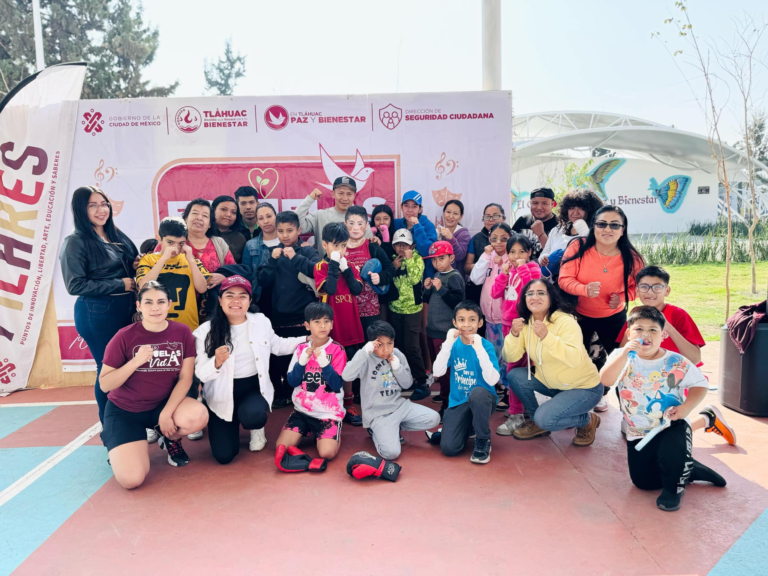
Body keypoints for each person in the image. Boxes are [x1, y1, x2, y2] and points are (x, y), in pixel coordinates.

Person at [600, 306, 726, 512]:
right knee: (643, 482)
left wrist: (685, 409)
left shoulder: (674, 361)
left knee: (671, 453)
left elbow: (700, 384)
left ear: (663, 334)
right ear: (628, 333)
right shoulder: (622, 356)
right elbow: (605, 379)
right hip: (638, 430)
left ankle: (674, 488)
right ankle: (690, 470)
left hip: (670, 423)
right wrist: (624, 354)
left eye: (653, 330)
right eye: (639, 329)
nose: (645, 335)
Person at [99, 281, 209, 489]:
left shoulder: (182, 332)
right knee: (131, 480)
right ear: (139, 306)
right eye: (148, 302)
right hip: (125, 411)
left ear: (169, 304)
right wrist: (136, 361)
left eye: (160, 302)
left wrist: (166, 414)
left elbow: (186, 378)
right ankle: (118, 440)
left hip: (162, 405)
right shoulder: (124, 336)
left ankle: (170, 439)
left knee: (198, 415)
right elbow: (105, 384)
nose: (155, 308)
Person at [616, 265, 736, 445]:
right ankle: (704, 419)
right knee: (636, 429)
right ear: (636, 290)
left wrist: (668, 327)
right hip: (644, 381)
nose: (650, 292)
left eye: (657, 287)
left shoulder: (678, 315)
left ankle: (706, 418)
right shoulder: (635, 316)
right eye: (644, 287)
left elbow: (695, 358)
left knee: (659, 433)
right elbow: (621, 354)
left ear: (667, 290)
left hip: (674, 380)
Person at [193, 276, 306, 464]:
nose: (236, 301)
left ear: (250, 301)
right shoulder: (204, 332)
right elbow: (200, 374)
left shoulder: (260, 321)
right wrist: (216, 363)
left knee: (253, 416)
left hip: (253, 389)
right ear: (220, 300)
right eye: (230, 296)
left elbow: (277, 346)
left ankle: (255, 427)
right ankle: (231, 421)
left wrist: (307, 340)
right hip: (221, 396)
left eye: (242, 296)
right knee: (224, 456)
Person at [60, 186, 139, 424]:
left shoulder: (115, 234)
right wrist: (120, 284)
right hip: (97, 315)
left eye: (104, 204)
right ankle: (111, 429)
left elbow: (126, 267)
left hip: (125, 310)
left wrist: (135, 265)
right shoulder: (76, 242)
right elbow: (75, 285)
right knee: (107, 370)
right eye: (93, 205)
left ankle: (131, 421)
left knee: (130, 368)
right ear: (81, 210)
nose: (101, 210)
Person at [504, 279, 603, 445]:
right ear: (524, 299)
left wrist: (547, 337)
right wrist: (513, 335)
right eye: (530, 293)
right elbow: (511, 357)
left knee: (546, 419)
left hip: (584, 388)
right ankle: (538, 423)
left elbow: (574, 359)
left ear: (551, 298)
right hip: (553, 384)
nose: (535, 297)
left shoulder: (566, 322)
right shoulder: (526, 323)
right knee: (515, 375)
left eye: (541, 293)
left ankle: (586, 420)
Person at [558, 204, 645, 389]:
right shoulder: (578, 246)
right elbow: (564, 279)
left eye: (614, 225)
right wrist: (584, 289)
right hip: (579, 316)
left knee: (624, 364)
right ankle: (580, 399)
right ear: (593, 226)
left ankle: (623, 404)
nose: (607, 229)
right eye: (602, 224)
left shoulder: (632, 258)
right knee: (575, 362)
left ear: (623, 230)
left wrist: (623, 297)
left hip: (614, 318)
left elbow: (639, 287)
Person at [342, 321, 440, 460]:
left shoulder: (397, 354)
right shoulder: (365, 357)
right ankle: (376, 430)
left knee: (434, 418)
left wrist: (397, 368)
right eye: (380, 344)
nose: (386, 349)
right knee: (391, 453)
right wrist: (364, 352)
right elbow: (346, 375)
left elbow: (407, 384)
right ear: (372, 343)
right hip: (378, 413)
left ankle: (392, 428)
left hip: (399, 406)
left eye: (390, 343)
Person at [258, 211, 321, 408]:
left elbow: (317, 271)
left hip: (304, 316)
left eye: (290, 230)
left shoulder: (307, 251)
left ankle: (308, 395)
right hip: (280, 316)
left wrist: (295, 258)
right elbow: (262, 281)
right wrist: (271, 260)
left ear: (299, 230)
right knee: (281, 360)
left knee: (306, 358)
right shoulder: (273, 253)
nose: (285, 235)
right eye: (281, 231)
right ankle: (283, 394)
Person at [429, 301, 500, 464]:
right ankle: (467, 427)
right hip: (459, 401)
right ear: (454, 322)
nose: (466, 324)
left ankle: (483, 439)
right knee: (449, 448)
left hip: (483, 400)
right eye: (461, 320)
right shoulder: (452, 344)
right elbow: (437, 372)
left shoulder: (486, 346)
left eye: (472, 320)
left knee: (477, 392)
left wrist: (479, 349)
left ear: (480, 323)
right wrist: (447, 344)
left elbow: (492, 379)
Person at [277, 302, 347, 462]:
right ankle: (307, 430)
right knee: (282, 448)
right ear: (307, 326)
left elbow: (336, 385)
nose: (322, 325)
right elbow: (292, 381)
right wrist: (301, 363)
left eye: (327, 321)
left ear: (332, 325)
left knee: (326, 454)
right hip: (303, 410)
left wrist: (324, 363)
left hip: (328, 413)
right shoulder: (301, 349)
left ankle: (333, 433)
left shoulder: (338, 350)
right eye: (317, 322)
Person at [489, 234, 542, 433]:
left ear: (529, 253)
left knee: (517, 369)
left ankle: (516, 414)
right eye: (512, 252)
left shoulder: (533, 268)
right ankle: (521, 409)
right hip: (507, 324)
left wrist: (520, 268)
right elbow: (495, 293)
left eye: (521, 251)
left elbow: (532, 290)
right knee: (513, 366)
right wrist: (503, 274)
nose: (516, 256)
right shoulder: (507, 270)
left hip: (525, 325)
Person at [136, 217, 210, 332]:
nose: (175, 248)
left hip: (188, 326)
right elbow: (144, 286)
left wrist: (190, 259)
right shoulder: (148, 259)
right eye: (170, 242)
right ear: (159, 239)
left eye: (181, 243)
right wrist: (164, 257)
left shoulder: (189, 259)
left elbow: (202, 288)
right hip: (157, 327)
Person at [394, 190, 438, 374]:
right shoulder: (397, 224)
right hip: (398, 290)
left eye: (414, 206)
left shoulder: (426, 224)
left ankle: (426, 371)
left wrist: (418, 225)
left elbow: (429, 249)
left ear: (420, 209)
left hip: (422, 284)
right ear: (402, 207)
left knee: (422, 330)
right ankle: (404, 373)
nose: (410, 210)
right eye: (407, 205)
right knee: (401, 336)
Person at [468, 223, 512, 406]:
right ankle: (499, 386)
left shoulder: (513, 259)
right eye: (494, 238)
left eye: (504, 239)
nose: (498, 242)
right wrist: (486, 256)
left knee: (509, 355)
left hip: (507, 318)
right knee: (493, 354)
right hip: (489, 317)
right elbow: (475, 278)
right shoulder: (488, 256)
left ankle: (511, 392)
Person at [423, 241, 465, 410]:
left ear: (452, 258)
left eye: (441, 258)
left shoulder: (454, 277)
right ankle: (444, 395)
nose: (437, 263)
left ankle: (448, 405)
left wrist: (441, 289)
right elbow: (427, 300)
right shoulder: (437, 275)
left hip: (445, 332)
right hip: (433, 329)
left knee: (447, 370)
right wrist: (426, 289)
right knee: (439, 367)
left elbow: (458, 302)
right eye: (434, 260)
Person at [389, 229, 430, 401]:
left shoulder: (417, 259)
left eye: (405, 244)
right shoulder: (391, 260)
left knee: (412, 347)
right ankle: (406, 379)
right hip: (395, 309)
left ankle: (422, 382)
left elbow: (415, 279)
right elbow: (386, 279)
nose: (401, 247)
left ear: (411, 246)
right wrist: (393, 268)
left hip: (413, 310)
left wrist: (409, 259)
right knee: (399, 346)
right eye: (398, 244)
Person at [344, 206, 396, 331]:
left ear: (367, 225)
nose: (355, 227)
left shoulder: (372, 246)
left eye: (360, 223)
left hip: (370, 311)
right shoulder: (337, 247)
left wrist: (380, 277)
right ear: (344, 224)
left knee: (371, 346)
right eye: (351, 223)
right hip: (346, 310)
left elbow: (390, 269)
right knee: (350, 349)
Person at [295, 176, 372, 258]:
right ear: (333, 194)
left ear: (354, 195)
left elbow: (370, 248)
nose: (345, 198)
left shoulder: (361, 219)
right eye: (340, 193)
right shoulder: (320, 215)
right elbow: (296, 225)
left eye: (349, 194)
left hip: (354, 269)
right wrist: (310, 199)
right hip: (325, 268)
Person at [539, 189, 603, 278]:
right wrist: (544, 259)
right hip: (555, 286)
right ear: (566, 210)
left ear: (590, 210)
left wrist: (584, 231)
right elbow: (546, 251)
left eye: (581, 208)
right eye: (572, 208)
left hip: (582, 286)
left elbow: (597, 258)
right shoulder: (557, 230)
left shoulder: (598, 231)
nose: (575, 212)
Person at [464, 203, 506, 332]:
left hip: (506, 308)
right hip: (482, 295)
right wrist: (486, 263)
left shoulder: (514, 241)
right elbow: (468, 268)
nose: (491, 220)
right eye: (487, 217)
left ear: (503, 218)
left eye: (495, 216)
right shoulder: (477, 239)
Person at [179, 198, 235, 291]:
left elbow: (233, 271)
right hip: (183, 302)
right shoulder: (173, 242)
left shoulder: (219, 243)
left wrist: (224, 277)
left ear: (209, 224)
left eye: (205, 215)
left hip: (214, 302)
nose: (199, 218)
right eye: (195, 213)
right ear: (185, 218)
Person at [241, 203, 279, 314]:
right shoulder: (250, 245)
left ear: (276, 217)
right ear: (257, 222)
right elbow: (246, 274)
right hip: (259, 297)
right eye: (261, 218)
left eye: (269, 216)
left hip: (285, 297)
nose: (266, 221)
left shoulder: (287, 242)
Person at [511, 187, 559, 258]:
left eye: (544, 203)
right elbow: (510, 246)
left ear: (553, 204)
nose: (539, 207)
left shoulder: (560, 225)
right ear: (530, 203)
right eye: (535, 203)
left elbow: (557, 255)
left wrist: (541, 234)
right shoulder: (522, 221)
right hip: (522, 267)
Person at [436, 199, 471, 275]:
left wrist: (451, 239)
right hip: (437, 277)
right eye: (448, 212)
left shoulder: (464, 234)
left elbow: (460, 256)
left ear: (461, 216)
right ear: (443, 213)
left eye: (455, 213)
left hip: (455, 279)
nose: (451, 216)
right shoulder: (437, 232)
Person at [211, 195, 247, 263]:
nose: (228, 214)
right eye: (224, 209)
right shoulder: (204, 234)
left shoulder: (240, 238)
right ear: (213, 210)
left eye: (233, 212)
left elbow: (243, 267)